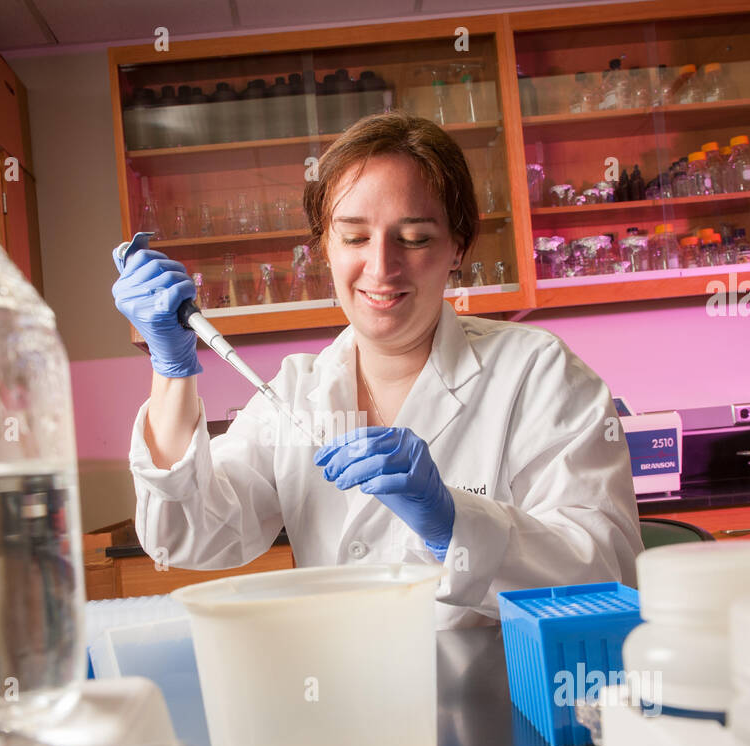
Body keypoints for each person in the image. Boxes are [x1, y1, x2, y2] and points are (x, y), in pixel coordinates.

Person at [112, 113, 642, 628]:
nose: (382, 267)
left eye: (414, 238)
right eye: (354, 236)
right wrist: (172, 369)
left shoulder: (537, 372)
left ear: (458, 247)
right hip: (345, 694)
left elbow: (607, 573)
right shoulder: (297, 394)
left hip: (504, 695)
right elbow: (188, 536)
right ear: (325, 245)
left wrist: (452, 522)